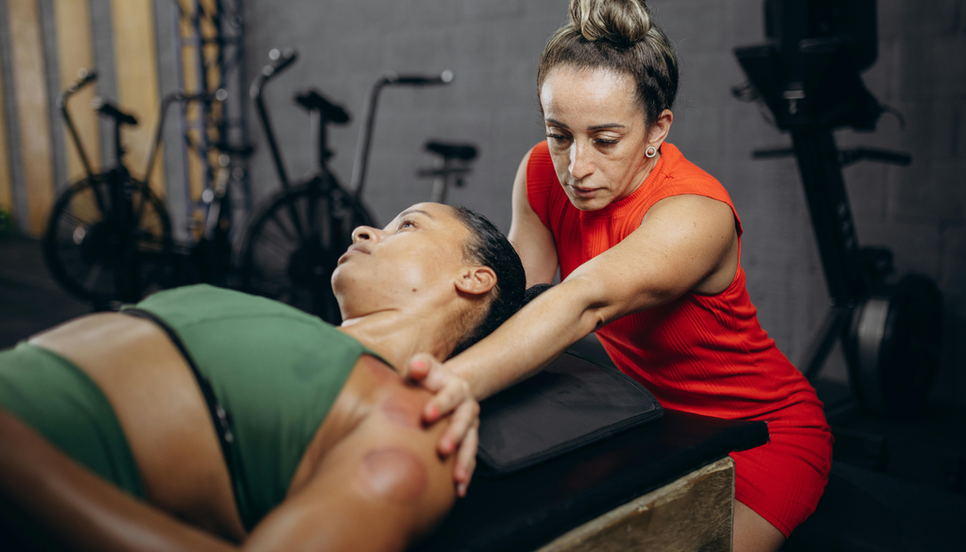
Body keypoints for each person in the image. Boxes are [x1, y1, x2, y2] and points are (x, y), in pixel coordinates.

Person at [410, 2, 833, 550]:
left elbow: (582, 301)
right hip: (654, 422)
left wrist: (445, 390)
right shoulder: (542, 173)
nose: (577, 167)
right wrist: (396, 358)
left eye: (605, 140)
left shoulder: (695, 214)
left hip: (760, 431)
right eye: (560, 134)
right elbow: (512, 301)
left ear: (658, 128)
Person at [0, 203, 525, 551]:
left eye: (407, 225)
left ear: (474, 278)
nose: (364, 231)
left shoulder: (414, 424)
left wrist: (14, 453)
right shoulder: (288, 326)